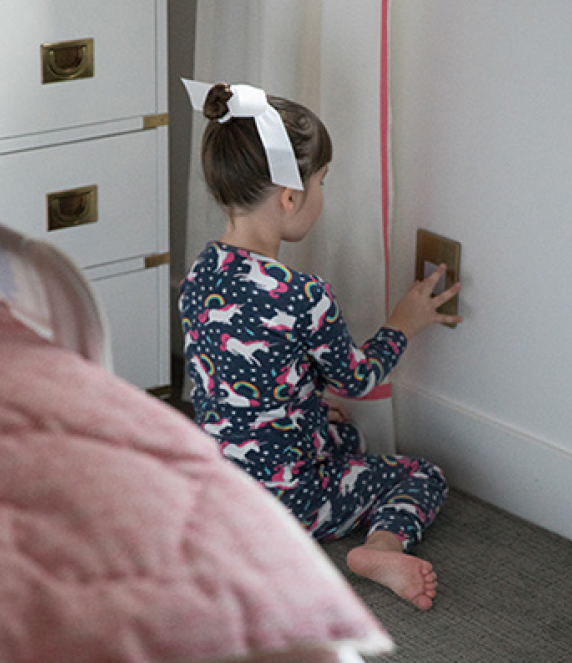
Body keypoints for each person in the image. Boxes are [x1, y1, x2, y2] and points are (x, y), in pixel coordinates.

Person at [178, 79, 463, 610]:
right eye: (323, 181)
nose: (323, 194)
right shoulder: (302, 295)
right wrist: (403, 323)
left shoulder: (201, 273)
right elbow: (357, 379)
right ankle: (380, 548)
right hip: (287, 501)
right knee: (422, 475)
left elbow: (227, 376)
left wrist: (304, 404)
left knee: (343, 433)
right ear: (290, 197)